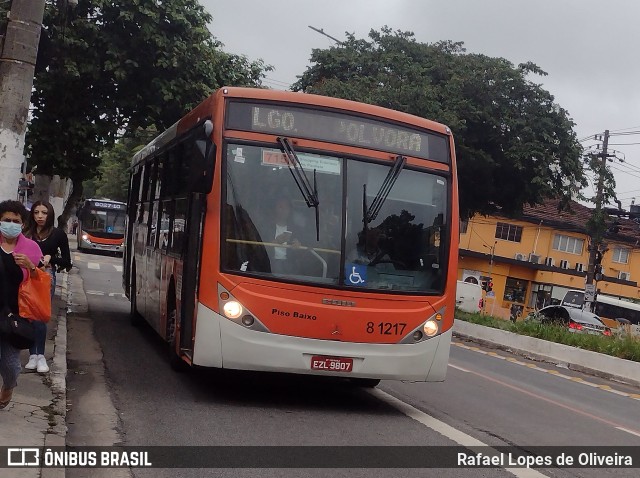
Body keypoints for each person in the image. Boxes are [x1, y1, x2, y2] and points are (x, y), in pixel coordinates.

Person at [0, 200, 43, 408]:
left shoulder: (31, 248)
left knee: (10, 365)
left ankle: (8, 386)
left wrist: (30, 267)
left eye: (15, 221)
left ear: (22, 224)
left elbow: (41, 281)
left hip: (15, 316)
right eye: (6, 220)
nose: (10, 223)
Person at [23, 201, 71, 374]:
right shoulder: (26, 233)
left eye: (44, 213)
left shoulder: (58, 234)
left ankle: (40, 354)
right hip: (25, 276)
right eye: (36, 212)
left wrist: (52, 259)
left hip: (45, 277)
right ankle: (32, 355)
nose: (40, 216)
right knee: (28, 314)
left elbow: (67, 261)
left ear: (49, 214)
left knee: (40, 315)